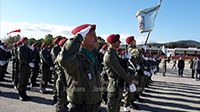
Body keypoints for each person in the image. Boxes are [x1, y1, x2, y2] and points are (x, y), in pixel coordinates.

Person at [57, 24, 102, 112]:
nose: (96, 38)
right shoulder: (76, 58)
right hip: (81, 107)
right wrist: (78, 37)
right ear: (83, 37)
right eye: (93, 35)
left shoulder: (91, 56)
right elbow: (64, 59)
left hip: (95, 106)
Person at [103, 34, 136, 112]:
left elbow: (121, 66)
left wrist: (125, 60)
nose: (120, 42)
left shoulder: (114, 53)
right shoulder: (110, 55)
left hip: (118, 84)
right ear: (113, 43)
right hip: (114, 85)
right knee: (112, 108)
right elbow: (120, 70)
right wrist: (130, 82)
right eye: (118, 41)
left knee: (116, 108)